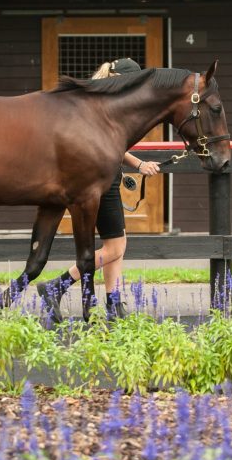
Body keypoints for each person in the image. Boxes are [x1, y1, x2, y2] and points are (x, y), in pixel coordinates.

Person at [37, 58, 161, 323]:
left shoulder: (96, 102)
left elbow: (113, 145)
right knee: (116, 247)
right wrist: (138, 164)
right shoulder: (106, 105)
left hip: (105, 176)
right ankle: (56, 286)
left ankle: (113, 304)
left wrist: (139, 164)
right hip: (102, 180)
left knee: (116, 244)